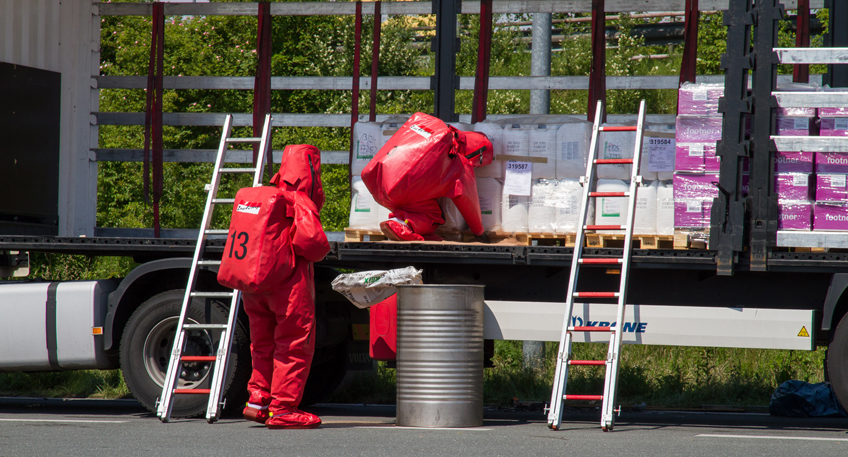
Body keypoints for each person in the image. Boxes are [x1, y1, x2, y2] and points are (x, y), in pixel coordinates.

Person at [240, 144, 330, 429]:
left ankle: (258, 400)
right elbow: (313, 245)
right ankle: (283, 409)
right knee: (293, 345)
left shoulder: (262, 194)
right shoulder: (298, 200)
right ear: (311, 172)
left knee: (263, 344)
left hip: (254, 285)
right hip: (288, 288)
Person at [361, 112, 494, 242]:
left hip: (375, 177)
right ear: (476, 155)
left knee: (416, 202)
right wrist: (479, 231)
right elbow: (468, 201)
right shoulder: (459, 163)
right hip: (399, 188)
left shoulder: (431, 123)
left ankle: (398, 219)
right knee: (434, 215)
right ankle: (403, 225)